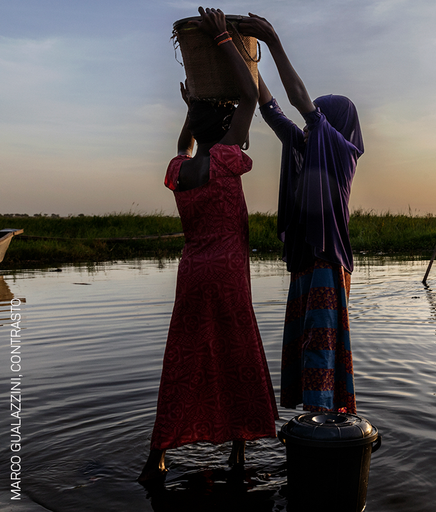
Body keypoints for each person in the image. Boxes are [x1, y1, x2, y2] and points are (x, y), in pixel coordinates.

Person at [139, 7, 278, 484]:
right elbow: (250, 96)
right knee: (237, 355)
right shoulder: (224, 159)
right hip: (227, 274)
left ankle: (157, 455)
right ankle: (238, 451)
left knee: (183, 359)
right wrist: (223, 38)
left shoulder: (180, 171)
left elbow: (185, 145)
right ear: (224, 129)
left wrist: (190, 108)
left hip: (192, 274)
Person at [239, 13, 361, 414]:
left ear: (334, 125)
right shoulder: (305, 145)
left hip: (327, 261)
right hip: (306, 261)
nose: (307, 127)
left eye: (317, 120)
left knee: (319, 345)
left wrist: (273, 41)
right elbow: (272, 109)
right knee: (306, 342)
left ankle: (322, 423)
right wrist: (244, 57)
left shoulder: (340, 151)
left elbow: (297, 101)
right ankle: (315, 418)